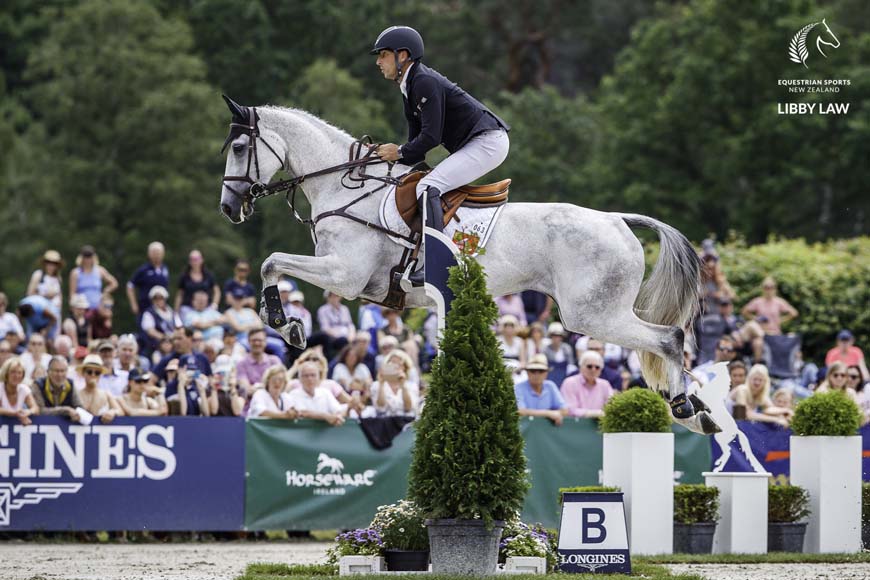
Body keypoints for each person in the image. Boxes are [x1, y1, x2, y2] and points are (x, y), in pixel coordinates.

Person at [371, 25, 510, 237]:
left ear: (403, 55)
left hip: (487, 142)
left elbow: (431, 137)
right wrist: (378, 158)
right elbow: (415, 148)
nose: (378, 62)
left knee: (427, 188)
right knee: (421, 184)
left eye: (383, 55)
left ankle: (436, 253)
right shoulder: (409, 86)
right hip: (479, 142)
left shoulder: (424, 82)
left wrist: (398, 151)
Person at [513, 354, 568, 425]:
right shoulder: (518, 388)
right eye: (533, 371)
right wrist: (548, 413)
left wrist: (555, 414)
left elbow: (565, 410)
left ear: (546, 373)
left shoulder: (550, 386)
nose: (537, 374)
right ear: (527, 372)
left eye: (541, 371)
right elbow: (520, 411)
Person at [286, 361, 345, 425]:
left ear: (318, 378)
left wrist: (337, 417)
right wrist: (325, 416)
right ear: (300, 379)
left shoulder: (325, 392)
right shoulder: (293, 394)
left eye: (313, 375)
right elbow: (301, 412)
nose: (310, 379)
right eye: (306, 376)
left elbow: (338, 411)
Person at [559, 351, 614, 418]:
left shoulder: (605, 385)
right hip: (575, 424)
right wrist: (596, 413)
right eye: (589, 366)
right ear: (580, 367)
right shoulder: (570, 383)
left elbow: (612, 407)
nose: (593, 370)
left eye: (597, 367)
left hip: (599, 423)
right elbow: (570, 410)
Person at [30, 356, 82, 422]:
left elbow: (79, 408)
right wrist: (65, 410)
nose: (59, 375)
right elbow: (40, 410)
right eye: (56, 371)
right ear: (48, 372)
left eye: (62, 371)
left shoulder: (70, 384)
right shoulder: (38, 385)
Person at [127, 241, 169, 319]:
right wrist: (133, 304)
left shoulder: (165, 269)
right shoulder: (143, 270)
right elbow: (130, 286)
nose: (157, 255)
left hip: (161, 310)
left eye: (158, 252)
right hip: (145, 308)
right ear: (149, 254)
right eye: (154, 252)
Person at [68, 245, 118, 310]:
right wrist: (73, 308)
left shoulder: (100, 270)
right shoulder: (75, 273)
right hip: (82, 309)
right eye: (85, 256)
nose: (88, 259)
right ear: (81, 257)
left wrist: (106, 292)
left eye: (90, 256)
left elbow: (114, 283)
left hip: (98, 309)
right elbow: (72, 294)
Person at [235, 328, 282, 395]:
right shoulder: (241, 363)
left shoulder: (274, 360)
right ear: (248, 342)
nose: (257, 343)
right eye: (254, 340)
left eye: (260, 340)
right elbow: (247, 390)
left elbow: (281, 383)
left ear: (265, 342)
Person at [76, 354, 120, 423]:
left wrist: (112, 412)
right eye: (89, 372)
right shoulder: (77, 394)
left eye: (97, 373)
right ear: (83, 373)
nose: (93, 375)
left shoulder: (106, 394)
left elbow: (119, 411)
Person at [175, 249, 221, 315]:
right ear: (189, 261)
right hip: (188, 309)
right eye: (192, 259)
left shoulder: (208, 275)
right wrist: (176, 311)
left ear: (202, 260)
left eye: (196, 259)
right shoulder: (184, 276)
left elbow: (217, 291)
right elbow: (180, 295)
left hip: (206, 309)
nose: (194, 262)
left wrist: (214, 304)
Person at [27, 250, 64, 330]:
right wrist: (45, 296)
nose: (51, 265)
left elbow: (60, 298)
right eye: (48, 262)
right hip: (40, 314)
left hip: (55, 314)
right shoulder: (38, 275)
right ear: (44, 263)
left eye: (54, 263)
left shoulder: (58, 278)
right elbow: (29, 294)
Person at [139, 285, 181, 356]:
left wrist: (174, 337)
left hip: (174, 345)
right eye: (155, 298)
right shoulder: (149, 313)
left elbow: (180, 328)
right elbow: (151, 331)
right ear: (152, 300)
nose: (158, 301)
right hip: (157, 347)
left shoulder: (172, 312)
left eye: (161, 298)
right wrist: (165, 337)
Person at [0, 357, 39, 425]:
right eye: (13, 372)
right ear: (6, 374)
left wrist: (27, 412)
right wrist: (15, 413)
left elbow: (35, 408)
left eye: (19, 373)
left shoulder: (24, 389)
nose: (16, 376)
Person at [317, 291, 355, 357]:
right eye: (332, 296)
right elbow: (325, 328)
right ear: (328, 297)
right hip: (333, 338)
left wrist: (352, 334)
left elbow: (350, 324)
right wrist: (339, 335)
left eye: (337, 295)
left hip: (347, 337)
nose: (335, 298)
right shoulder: (322, 310)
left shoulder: (345, 309)